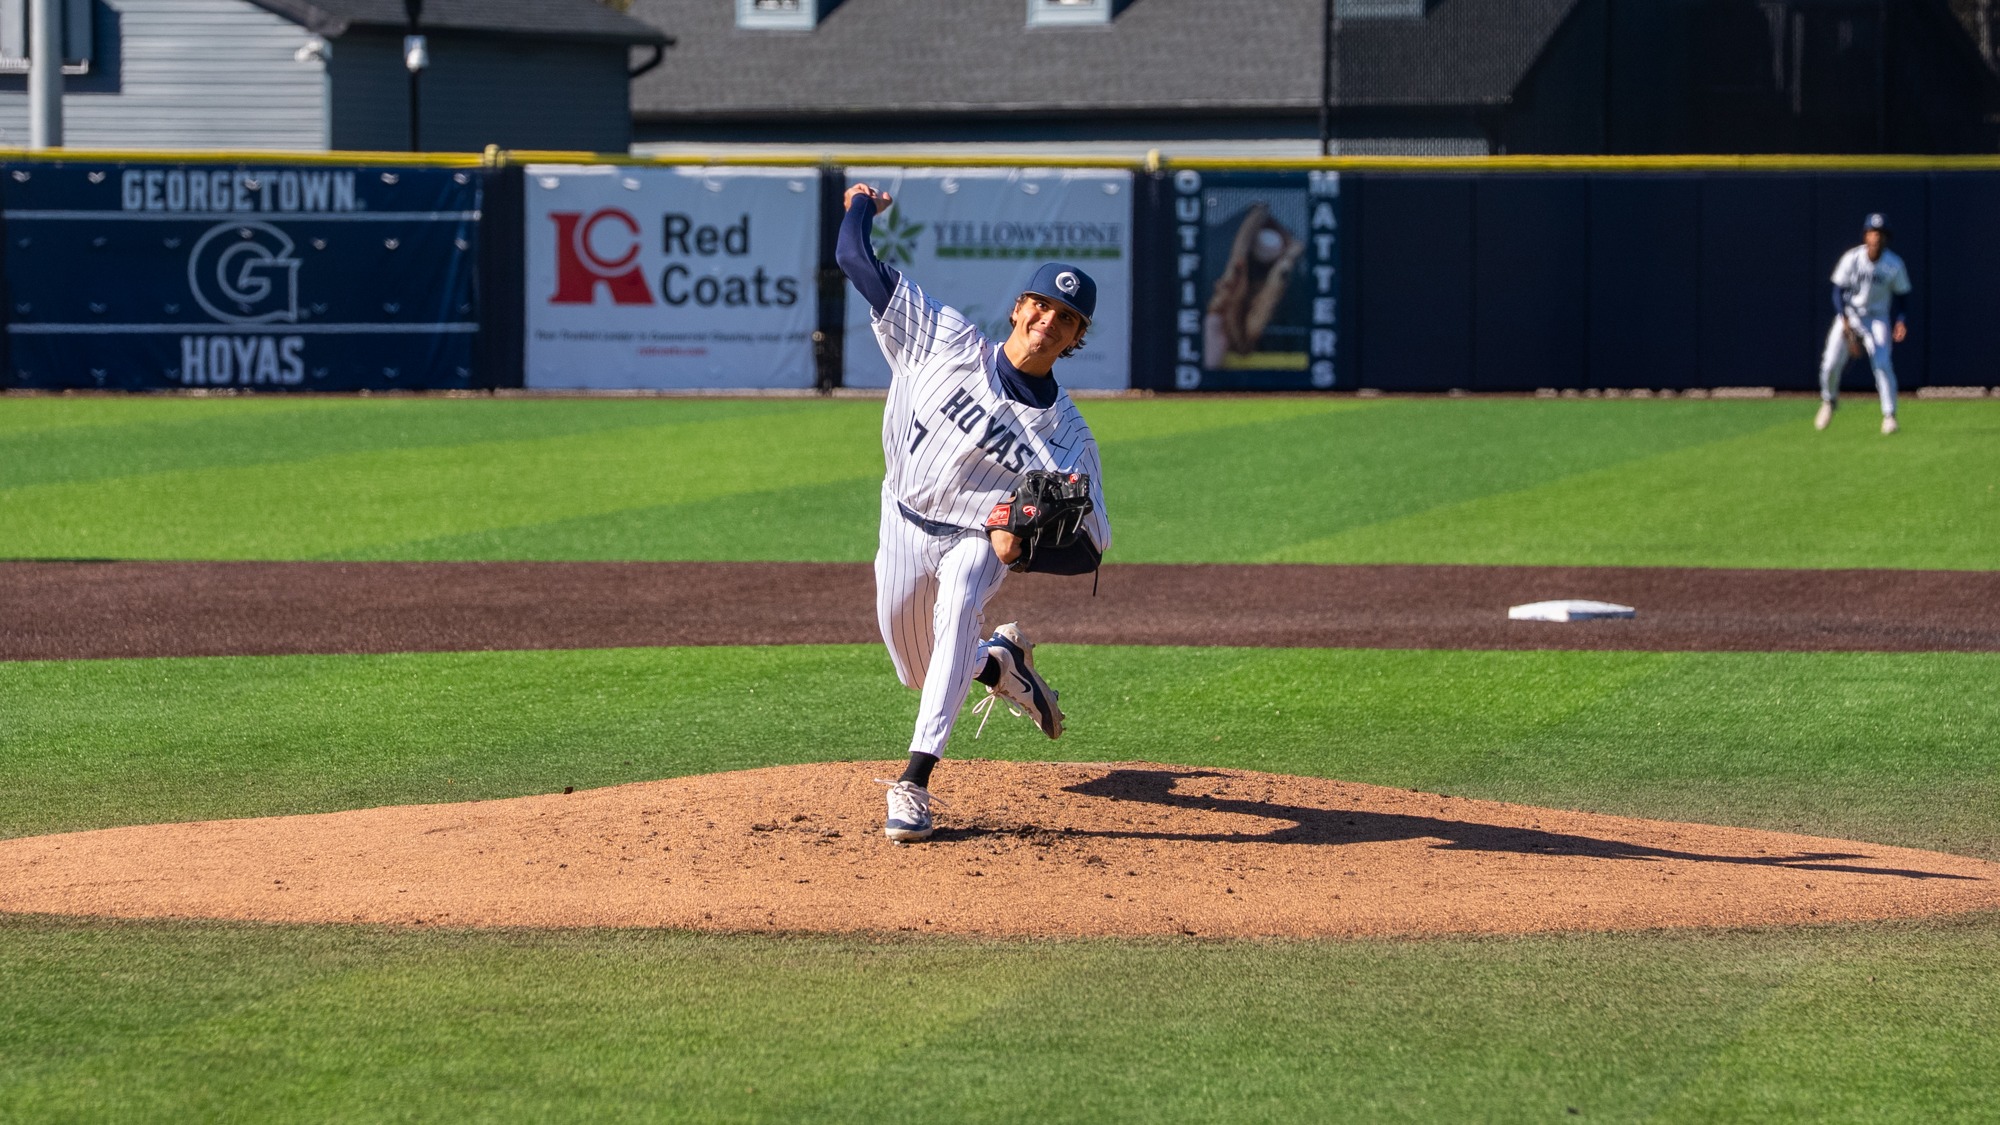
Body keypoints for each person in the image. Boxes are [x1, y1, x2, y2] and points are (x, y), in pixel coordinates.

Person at [835, 181, 1113, 843]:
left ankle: (915, 782)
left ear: (1075, 337)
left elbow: (1092, 546)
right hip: (901, 520)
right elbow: (853, 260)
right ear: (1020, 308)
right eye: (1042, 305)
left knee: (961, 598)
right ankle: (999, 662)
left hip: (973, 537)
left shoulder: (1067, 438)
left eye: (1066, 318)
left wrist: (1023, 545)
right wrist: (859, 206)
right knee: (919, 668)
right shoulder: (942, 338)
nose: (1049, 321)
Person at [1815, 213, 1912, 435]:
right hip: (1850, 314)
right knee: (1830, 362)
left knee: (1882, 363)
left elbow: (1904, 295)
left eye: (1880, 233)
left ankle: (1890, 416)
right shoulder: (1852, 258)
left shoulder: (1893, 264)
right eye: (1872, 232)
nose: (1876, 237)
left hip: (1877, 318)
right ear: (1866, 235)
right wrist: (1845, 319)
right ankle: (1829, 401)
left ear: (1886, 238)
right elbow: (1837, 291)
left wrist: (1901, 321)